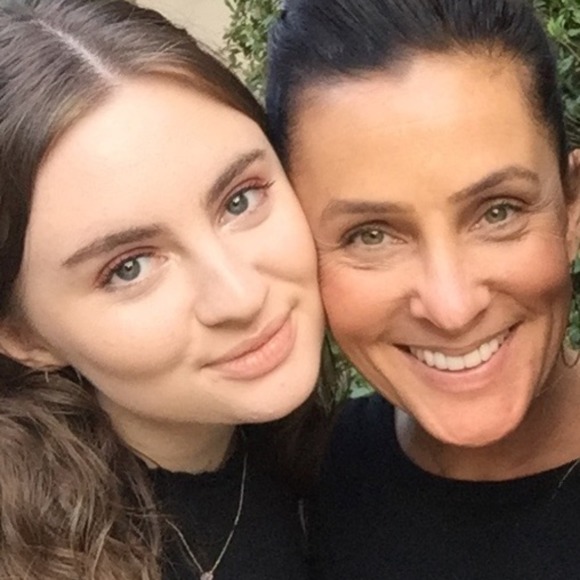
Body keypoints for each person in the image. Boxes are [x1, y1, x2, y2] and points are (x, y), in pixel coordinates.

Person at [0, 0, 327, 578]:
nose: (240, 296)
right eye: (129, 267)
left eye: (240, 199)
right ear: (24, 336)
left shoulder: (333, 463)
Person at [266, 0, 580, 578]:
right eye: (371, 235)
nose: (452, 308)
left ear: (573, 206)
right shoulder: (289, 498)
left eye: (499, 211)